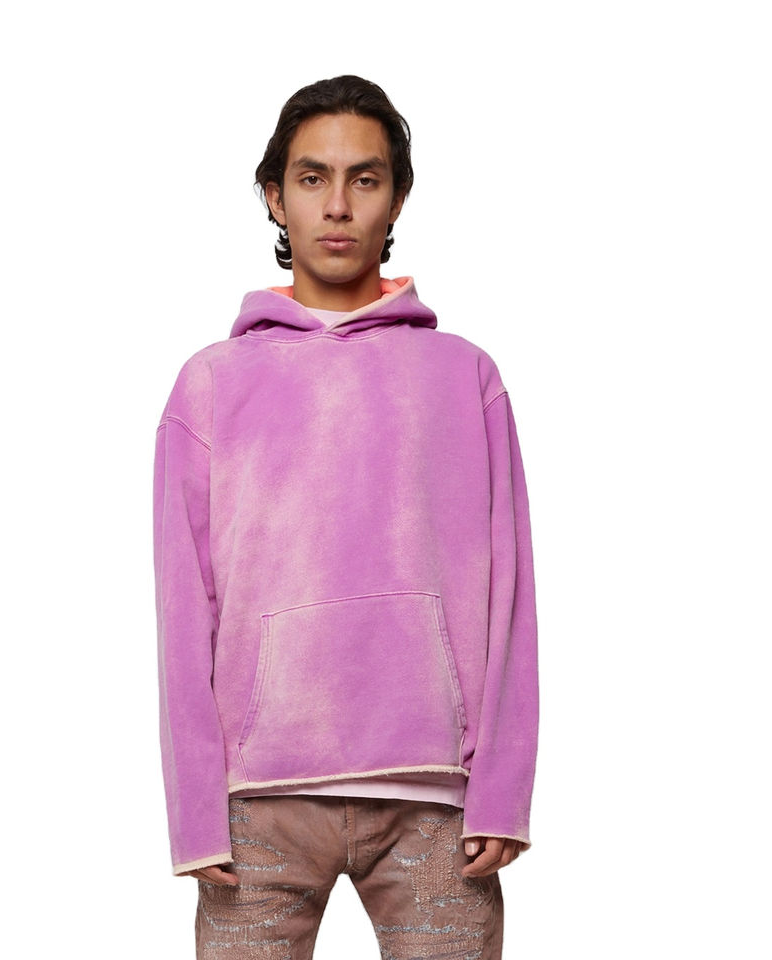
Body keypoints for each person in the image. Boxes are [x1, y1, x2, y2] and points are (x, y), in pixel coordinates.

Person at [152, 75, 539, 959]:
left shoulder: (465, 376)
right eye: (312, 178)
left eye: (365, 179)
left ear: (396, 198)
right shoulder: (210, 384)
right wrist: (192, 809)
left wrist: (505, 790)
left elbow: (512, 591)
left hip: (439, 806)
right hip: (256, 808)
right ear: (274, 196)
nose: (337, 205)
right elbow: (181, 606)